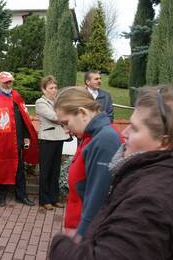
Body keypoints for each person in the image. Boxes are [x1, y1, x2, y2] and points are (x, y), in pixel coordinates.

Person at [50, 86, 173, 259]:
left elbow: (97, 198)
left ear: (165, 141)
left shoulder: (150, 197)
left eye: (135, 128)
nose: (124, 133)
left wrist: (63, 243)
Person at [52, 87, 123, 241]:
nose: (66, 130)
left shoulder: (104, 140)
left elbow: (98, 198)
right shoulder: (90, 136)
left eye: (66, 122)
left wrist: (81, 237)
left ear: (83, 113)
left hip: (88, 234)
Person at [0, 71, 38, 207]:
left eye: (10, 81)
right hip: (0, 143)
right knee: (1, 169)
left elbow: (24, 119)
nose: (8, 84)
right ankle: (1, 196)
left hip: (17, 141)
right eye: (5, 82)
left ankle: (21, 196)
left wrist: (26, 137)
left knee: (19, 170)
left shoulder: (16, 96)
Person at [35, 76, 69, 210]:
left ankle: (54, 198)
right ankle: (44, 200)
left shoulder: (57, 102)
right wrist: (65, 116)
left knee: (55, 171)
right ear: (44, 89)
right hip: (47, 139)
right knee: (46, 171)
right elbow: (54, 117)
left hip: (59, 138)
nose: (54, 90)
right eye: (51, 88)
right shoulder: (40, 102)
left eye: (55, 87)